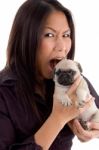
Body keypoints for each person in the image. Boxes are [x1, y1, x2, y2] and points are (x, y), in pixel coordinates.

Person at [0, 0, 99, 149]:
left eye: (66, 35)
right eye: (49, 34)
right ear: (27, 38)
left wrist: (93, 129)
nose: (62, 47)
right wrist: (58, 119)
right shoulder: (4, 91)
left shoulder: (70, 77)